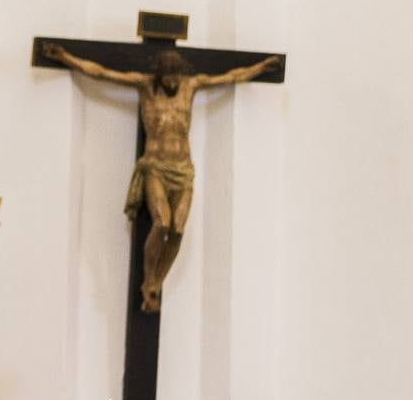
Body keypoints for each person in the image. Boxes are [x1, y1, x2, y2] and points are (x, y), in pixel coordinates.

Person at [42, 43, 280, 313]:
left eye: (176, 76)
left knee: (178, 228)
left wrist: (260, 67)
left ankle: (156, 281)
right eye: (169, 77)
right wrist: (65, 57)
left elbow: (230, 77)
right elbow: (101, 73)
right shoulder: (145, 86)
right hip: (155, 167)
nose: (173, 82)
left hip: (183, 170)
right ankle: (150, 282)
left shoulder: (191, 86)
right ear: (160, 74)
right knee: (162, 223)